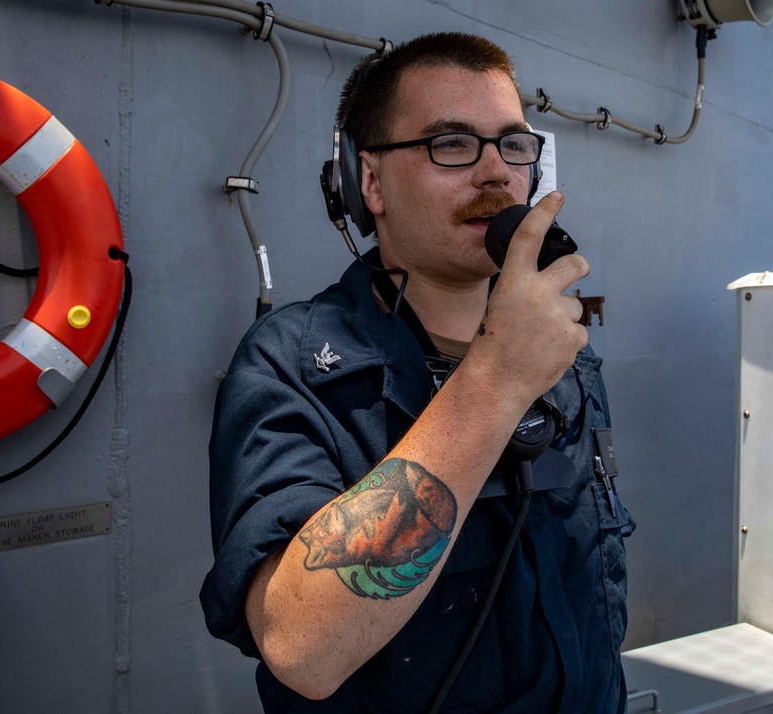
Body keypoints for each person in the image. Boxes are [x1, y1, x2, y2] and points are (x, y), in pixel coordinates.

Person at [201, 31, 635, 713]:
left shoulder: (565, 357)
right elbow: (300, 647)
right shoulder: (289, 365)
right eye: (452, 144)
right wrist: (494, 381)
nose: (496, 173)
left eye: (513, 145)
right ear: (368, 180)